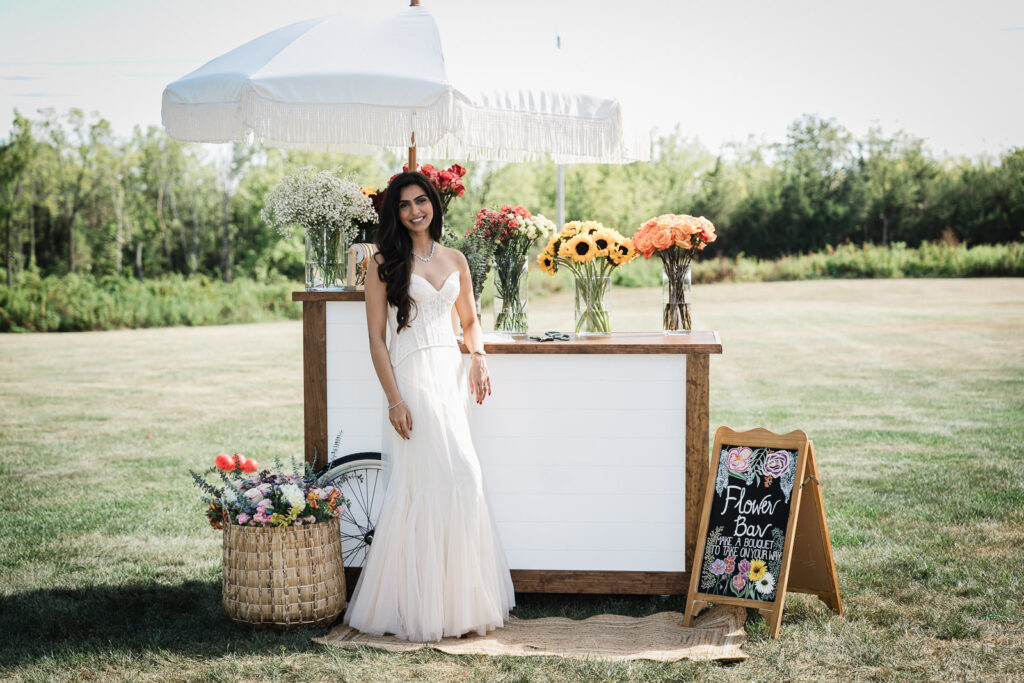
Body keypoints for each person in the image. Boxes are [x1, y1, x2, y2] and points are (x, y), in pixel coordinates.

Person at [342, 171, 515, 642]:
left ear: (434, 204)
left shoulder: (456, 258)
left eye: (422, 201)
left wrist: (478, 357)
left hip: (450, 379)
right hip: (413, 380)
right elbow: (376, 341)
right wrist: (394, 399)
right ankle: (415, 607)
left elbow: (470, 321)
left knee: (461, 481)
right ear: (394, 213)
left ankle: (457, 604)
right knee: (426, 485)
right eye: (404, 205)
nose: (415, 210)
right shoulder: (383, 264)